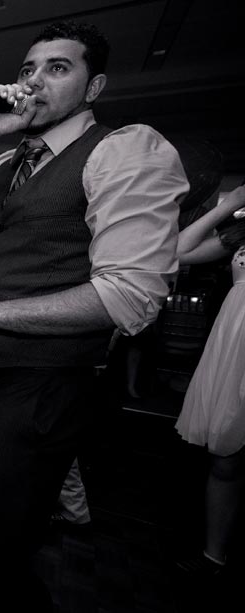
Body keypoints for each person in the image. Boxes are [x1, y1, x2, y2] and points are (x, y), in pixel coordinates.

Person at [0, 21, 188, 611]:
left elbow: (130, 293)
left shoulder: (122, 149)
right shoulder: (7, 162)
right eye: (27, 69)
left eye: (57, 68)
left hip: (44, 380)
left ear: (94, 87)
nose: (34, 80)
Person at [174, 184, 245, 577]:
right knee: (224, 454)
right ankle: (213, 556)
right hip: (235, 346)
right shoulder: (241, 231)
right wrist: (231, 204)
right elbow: (180, 250)